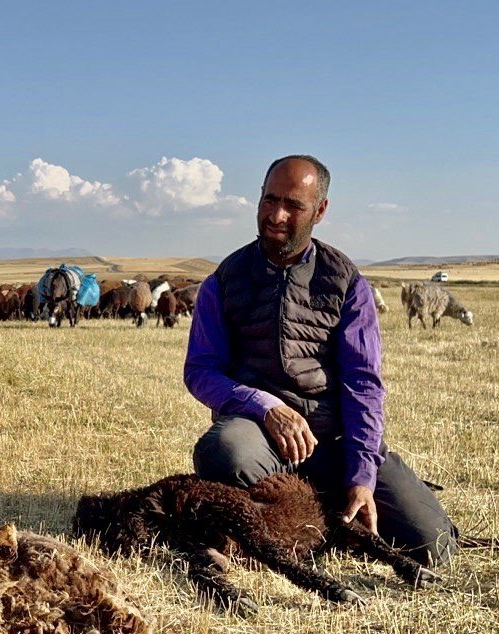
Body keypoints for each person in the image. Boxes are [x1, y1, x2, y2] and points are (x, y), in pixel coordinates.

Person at [184, 155, 456, 567]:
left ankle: (323, 504)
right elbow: (200, 370)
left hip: (334, 442)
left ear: (320, 210)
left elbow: (363, 384)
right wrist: (265, 405)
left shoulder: (345, 282)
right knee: (224, 451)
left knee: (433, 544)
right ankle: (305, 514)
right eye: (269, 200)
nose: (276, 215)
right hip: (262, 439)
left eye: (293, 205)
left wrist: (363, 474)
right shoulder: (224, 281)